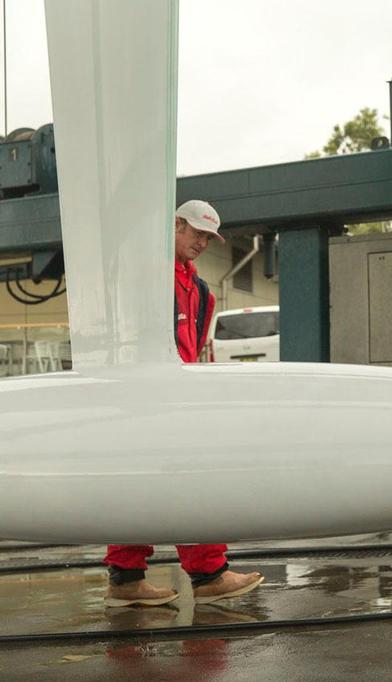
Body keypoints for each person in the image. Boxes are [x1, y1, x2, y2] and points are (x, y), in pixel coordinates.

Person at [102, 200, 264, 608]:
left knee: (144, 484)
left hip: (172, 397)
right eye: (197, 234)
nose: (203, 243)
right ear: (175, 225)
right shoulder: (148, 277)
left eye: (209, 238)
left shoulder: (201, 290)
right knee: (190, 481)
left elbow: (193, 349)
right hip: (148, 397)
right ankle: (207, 574)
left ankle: (126, 578)